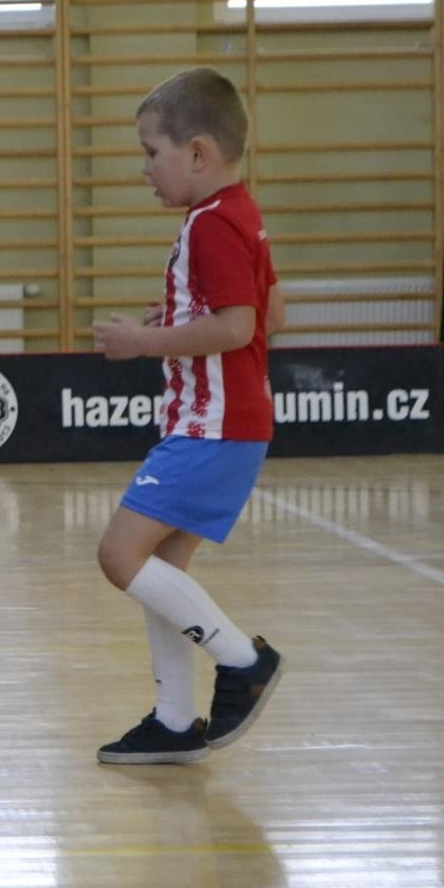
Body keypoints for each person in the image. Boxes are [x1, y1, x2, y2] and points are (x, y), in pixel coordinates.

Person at [90, 67, 285, 764]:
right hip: (224, 426)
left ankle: (242, 661)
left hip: (213, 427)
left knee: (119, 556)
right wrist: (179, 318)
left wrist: (145, 341)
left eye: (151, 153)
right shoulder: (241, 214)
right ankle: (174, 722)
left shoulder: (210, 226)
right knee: (161, 571)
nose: (144, 169)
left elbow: (236, 327)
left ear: (198, 154)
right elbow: (271, 314)